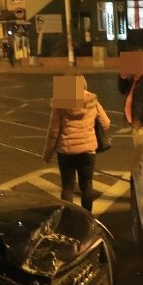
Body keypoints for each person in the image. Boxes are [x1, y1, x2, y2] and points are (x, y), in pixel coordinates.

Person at [42, 75, 110, 212]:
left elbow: (54, 131)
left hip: (66, 153)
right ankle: (87, 217)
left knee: (67, 187)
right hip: (88, 151)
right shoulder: (92, 100)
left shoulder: (61, 102)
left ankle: (68, 217)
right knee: (87, 185)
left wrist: (47, 154)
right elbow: (106, 123)